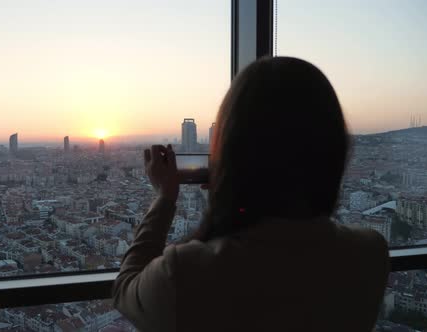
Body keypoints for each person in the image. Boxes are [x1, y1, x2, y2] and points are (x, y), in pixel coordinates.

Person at [112, 57, 389, 332]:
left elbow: (127, 288)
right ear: (334, 150)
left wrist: (164, 197)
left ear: (228, 151)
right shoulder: (369, 255)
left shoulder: (186, 272)